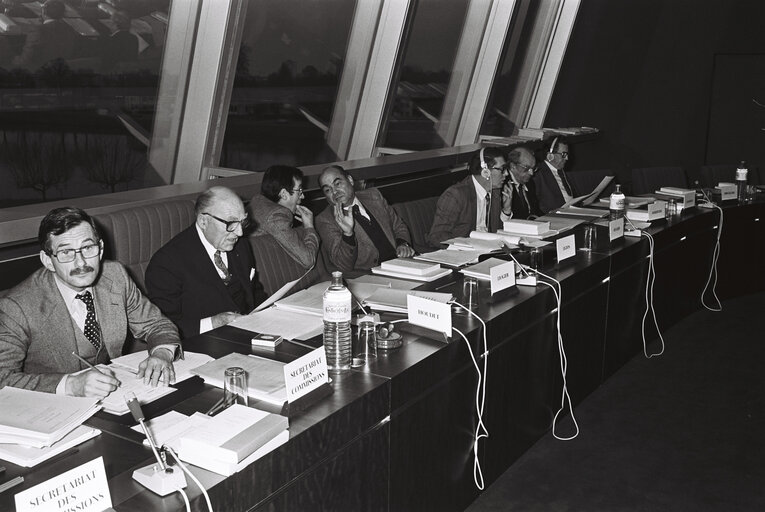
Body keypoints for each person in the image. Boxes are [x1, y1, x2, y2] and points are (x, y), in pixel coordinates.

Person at [0, 207, 180, 397]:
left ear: (100, 249)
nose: (81, 262)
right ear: (48, 260)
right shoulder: (16, 307)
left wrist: (162, 354)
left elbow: (157, 325)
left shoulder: (116, 276)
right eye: (66, 252)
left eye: (87, 248)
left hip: (116, 397)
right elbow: (3, 378)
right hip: (54, 409)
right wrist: (69, 385)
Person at [145, 187, 266, 338]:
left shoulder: (241, 245)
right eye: (231, 224)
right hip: (203, 345)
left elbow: (254, 292)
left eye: (243, 222)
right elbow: (161, 327)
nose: (240, 232)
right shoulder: (167, 263)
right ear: (203, 221)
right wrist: (213, 323)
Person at [315, 165, 415, 272]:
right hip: (372, 275)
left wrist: (402, 244)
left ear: (350, 180)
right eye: (327, 190)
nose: (335, 192)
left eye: (338, 184)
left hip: (402, 262)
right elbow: (343, 266)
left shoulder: (373, 196)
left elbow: (399, 226)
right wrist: (348, 234)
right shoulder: (325, 220)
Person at [426, 147, 509, 247]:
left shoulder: (495, 192)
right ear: (485, 171)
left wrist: (506, 210)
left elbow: (497, 231)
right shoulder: (456, 195)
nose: (506, 173)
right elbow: (437, 236)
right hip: (465, 252)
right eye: (502, 169)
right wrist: (467, 247)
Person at [249, 165, 319, 269]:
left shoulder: (256, 202)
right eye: (299, 190)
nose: (303, 196)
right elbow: (308, 260)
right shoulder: (277, 215)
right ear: (284, 194)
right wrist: (309, 227)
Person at [13, 0, 81, 70]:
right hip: (60, 71)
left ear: (44, 13)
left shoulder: (38, 30)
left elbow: (25, 60)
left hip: (38, 72)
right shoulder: (70, 30)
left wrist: (11, 59)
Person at [534, 137, 578, 213]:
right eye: (563, 154)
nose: (567, 158)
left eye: (567, 154)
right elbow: (535, 205)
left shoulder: (561, 171)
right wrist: (551, 212)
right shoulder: (538, 174)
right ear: (550, 156)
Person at [501, 145, 543, 220]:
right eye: (527, 168)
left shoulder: (529, 182)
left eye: (533, 168)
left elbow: (536, 211)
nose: (531, 173)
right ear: (513, 166)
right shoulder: (503, 186)